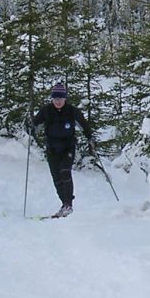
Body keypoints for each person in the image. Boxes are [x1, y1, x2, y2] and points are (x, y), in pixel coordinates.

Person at [24, 82, 93, 218]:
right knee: (56, 177)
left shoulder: (72, 111)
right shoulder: (46, 111)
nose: (58, 102)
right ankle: (64, 204)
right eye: (55, 99)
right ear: (52, 99)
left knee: (65, 172)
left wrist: (89, 136)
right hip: (52, 148)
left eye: (60, 99)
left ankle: (68, 204)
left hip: (68, 147)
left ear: (65, 99)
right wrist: (30, 128)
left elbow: (83, 125)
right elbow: (35, 125)